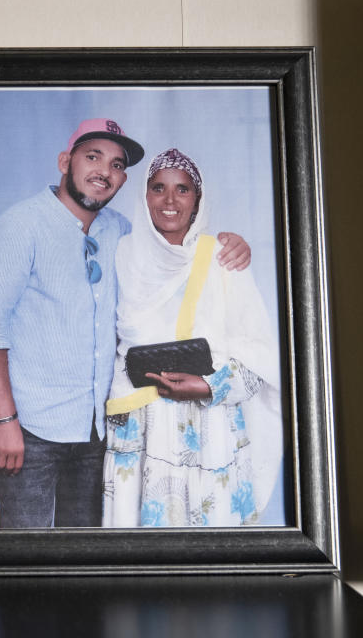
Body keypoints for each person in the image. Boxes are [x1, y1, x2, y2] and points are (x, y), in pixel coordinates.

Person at [0, 121, 251, 529]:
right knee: (24, 556)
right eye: (93, 157)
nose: (105, 170)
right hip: (31, 429)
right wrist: (4, 420)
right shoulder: (20, 226)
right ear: (65, 161)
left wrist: (229, 242)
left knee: (85, 560)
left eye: (117, 164)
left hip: (96, 433)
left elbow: (170, 254)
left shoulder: (118, 230)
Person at [102, 148, 282, 527]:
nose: (170, 200)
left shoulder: (222, 256)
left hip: (207, 427)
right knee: (138, 559)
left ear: (198, 199)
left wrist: (208, 387)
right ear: (144, 195)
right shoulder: (120, 252)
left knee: (209, 555)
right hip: (139, 427)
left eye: (182, 189)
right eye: (158, 188)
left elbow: (260, 352)